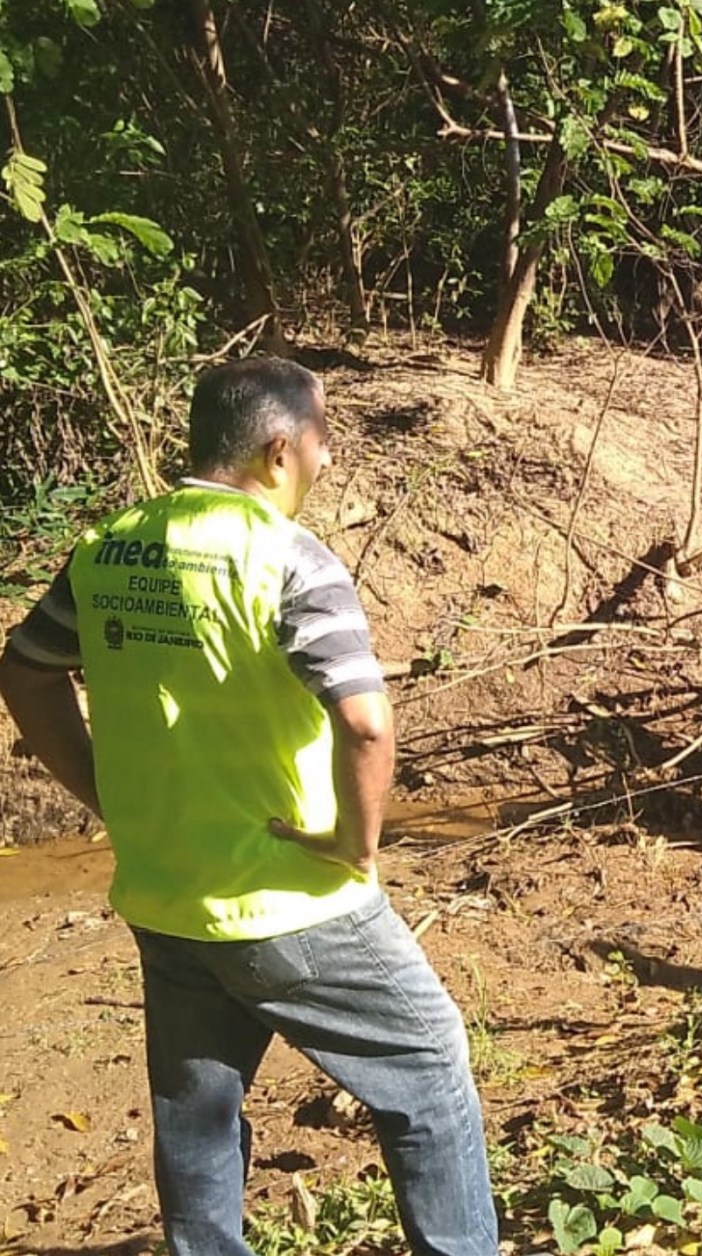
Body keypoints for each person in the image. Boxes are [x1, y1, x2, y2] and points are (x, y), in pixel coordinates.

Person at [0, 357, 498, 1256]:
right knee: (428, 1064)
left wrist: (107, 795)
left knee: (197, 1117)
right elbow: (366, 723)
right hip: (293, 901)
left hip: (167, 896)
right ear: (278, 451)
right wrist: (354, 845)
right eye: (321, 441)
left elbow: (26, 673)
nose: (327, 459)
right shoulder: (287, 558)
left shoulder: (110, 546)